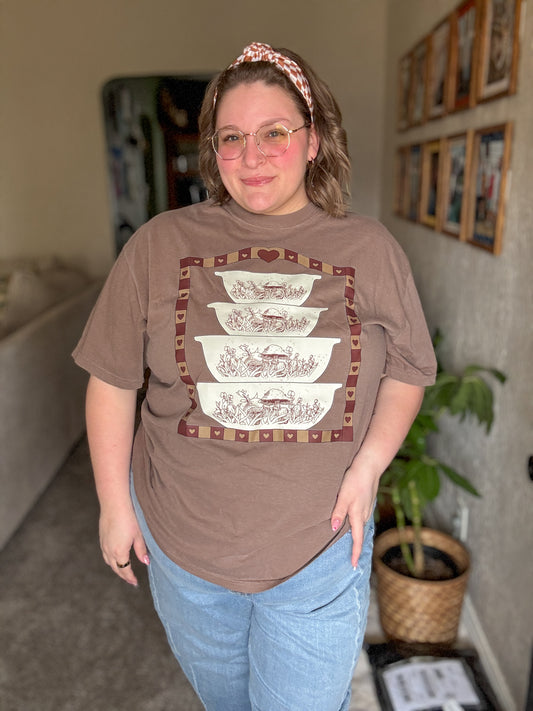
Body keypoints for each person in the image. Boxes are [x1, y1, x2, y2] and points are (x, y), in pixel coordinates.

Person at [73, 42, 437, 711]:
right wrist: (114, 505)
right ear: (212, 151)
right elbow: (112, 379)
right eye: (232, 138)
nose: (252, 155)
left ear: (313, 141)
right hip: (184, 551)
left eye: (274, 132)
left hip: (318, 552)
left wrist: (368, 468)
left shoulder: (369, 250)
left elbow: (410, 369)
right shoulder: (158, 245)